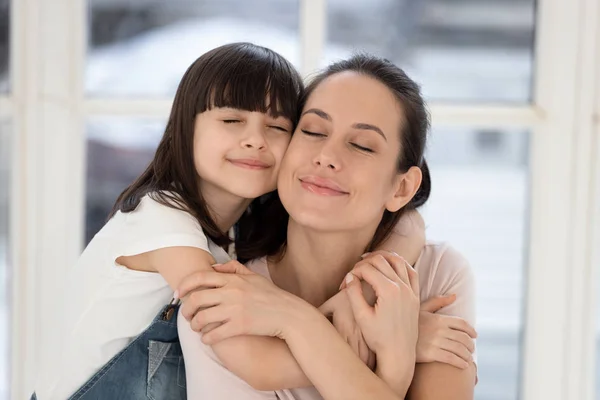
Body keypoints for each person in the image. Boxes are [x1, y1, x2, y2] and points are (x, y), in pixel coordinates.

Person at [176, 54, 478, 399]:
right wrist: (394, 360)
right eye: (313, 131)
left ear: (402, 188)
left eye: (361, 145)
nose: (327, 156)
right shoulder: (227, 305)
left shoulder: (439, 274)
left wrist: (295, 321)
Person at [33, 42, 305, 400]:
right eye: (231, 120)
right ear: (184, 128)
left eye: (278, 127)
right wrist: (341, 340)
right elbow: (256, 364)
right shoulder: (164, 223)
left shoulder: (238, 234)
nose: (255, 140)